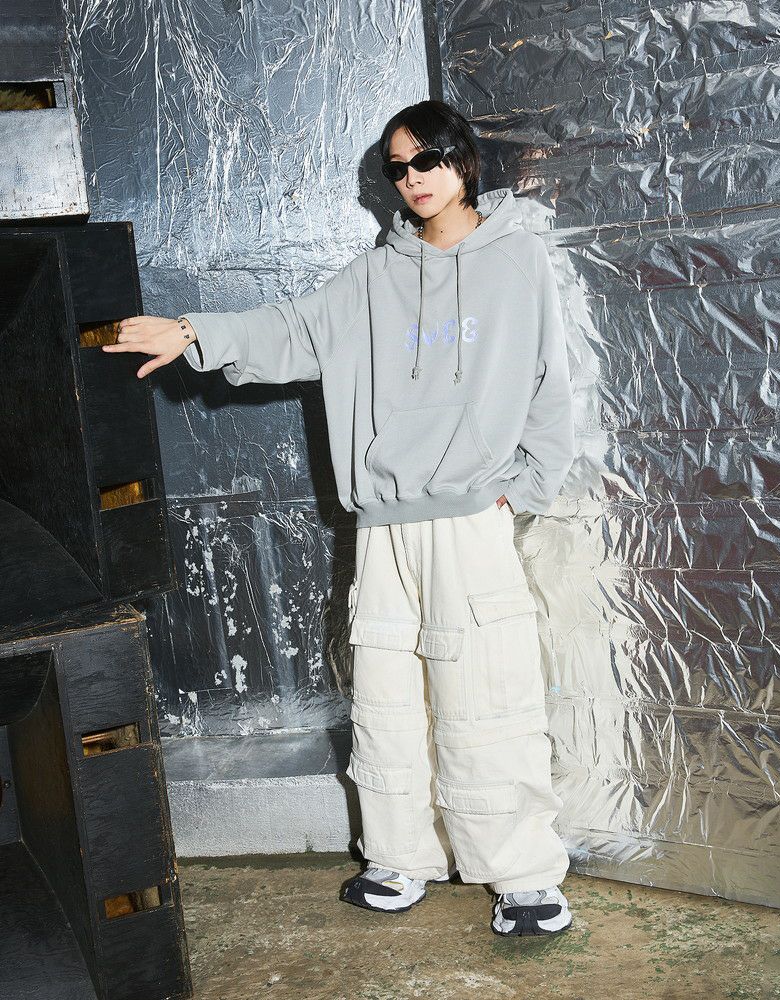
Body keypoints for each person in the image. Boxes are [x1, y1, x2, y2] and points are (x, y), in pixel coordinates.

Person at [105, 99, 577, 937]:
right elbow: (289, 329)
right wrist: (191, 331)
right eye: (398, 168)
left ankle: (523, 876)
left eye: (426, 160)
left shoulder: (517, 259)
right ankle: (400, 856)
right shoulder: (372, 277)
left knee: (487, 694)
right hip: (386, 524)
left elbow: (549, 378)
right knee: (389, 696)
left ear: (461, 161)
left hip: (469, 517)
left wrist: (526, 485)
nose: (413, 179)